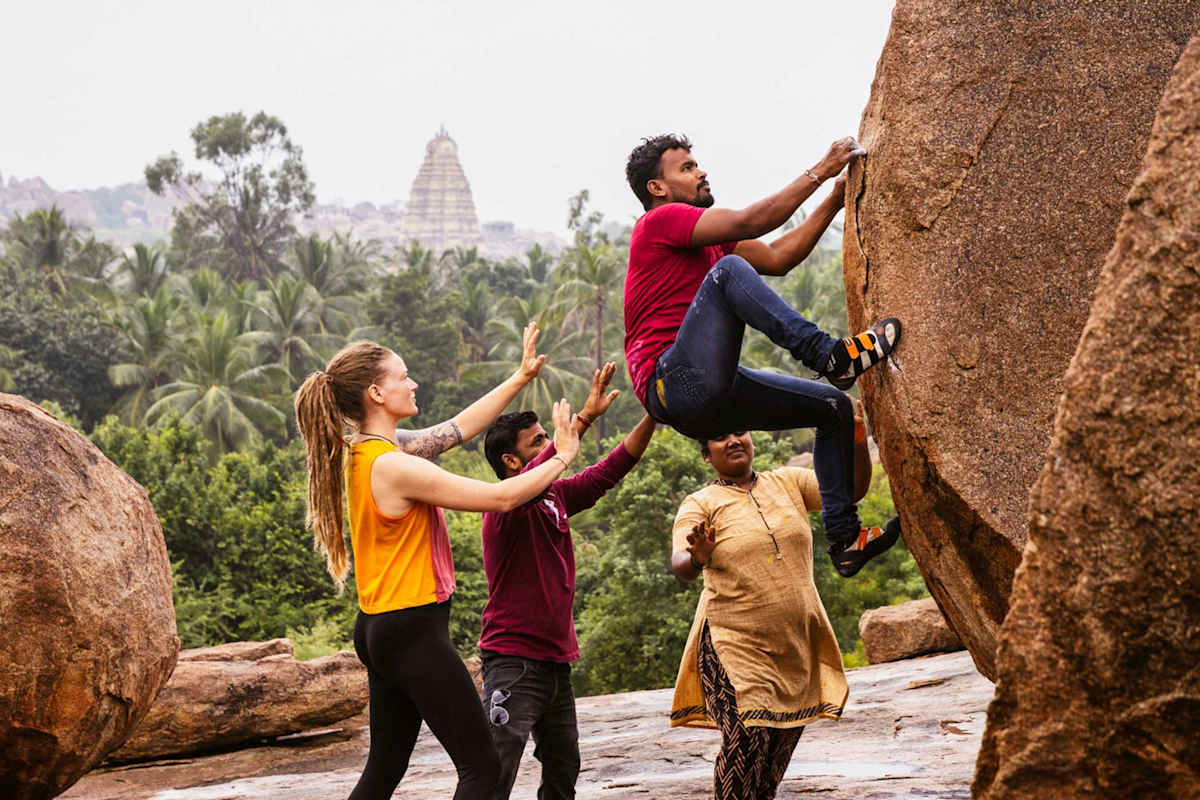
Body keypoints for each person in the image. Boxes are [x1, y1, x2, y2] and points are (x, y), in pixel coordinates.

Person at [294, 323, 582, 800]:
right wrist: (561, 457)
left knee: (385, 766)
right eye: (403, 377)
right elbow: (503, 498)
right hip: (411, 630)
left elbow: (458, 430)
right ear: (376, 393)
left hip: (379, 627)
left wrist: (519, 377)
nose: (413, 384)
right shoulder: (395, 464)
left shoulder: (368, 451)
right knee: (483, 769)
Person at [623, 133, 901, 577]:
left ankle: (845, 539)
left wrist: (833, 201)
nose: (701, 172)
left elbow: (777, 256)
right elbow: (752, 222)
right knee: (728, 273)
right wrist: (821, 169)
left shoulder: (706, 239)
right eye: (687, 168)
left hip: (708, 398)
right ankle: (830, 356)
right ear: (658, 188)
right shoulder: (659, 223)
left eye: (698, 164)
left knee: (834, 408)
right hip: (670, 382)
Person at [668, 407, 901, 800]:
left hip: (794, 645)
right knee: (748, 738)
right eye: (721, 437)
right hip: (733, 645)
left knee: (775, 756)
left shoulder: (788, 482)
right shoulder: (700, 503)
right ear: (707, 455)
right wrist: (698, 556)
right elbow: (680, 565)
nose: (734, 440)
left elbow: (849, 489)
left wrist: (857, 438)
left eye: (739, 429)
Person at [478, 362, 656, 800]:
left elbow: (609, 471)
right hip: (513, 660)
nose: (549, 446)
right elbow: (541, 471)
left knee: (563, 770)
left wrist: (656, 413)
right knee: (495, 770)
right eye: (537, 442)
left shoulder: (554, 497)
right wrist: (580, 423)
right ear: (511, 461)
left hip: (557, 663)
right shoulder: (502, 509)